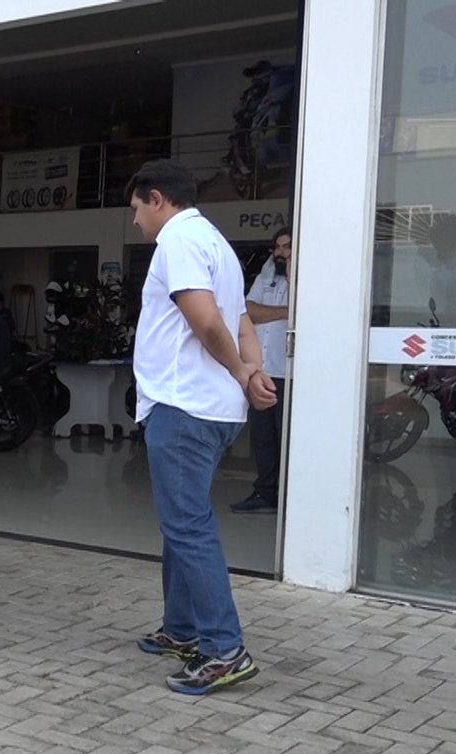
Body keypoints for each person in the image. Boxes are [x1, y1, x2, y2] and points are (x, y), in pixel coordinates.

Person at [125, 159, 277, 695]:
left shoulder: (179, 241)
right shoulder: (218, 244)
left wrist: (240, 372)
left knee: (187, 526)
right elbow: (242, 322)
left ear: (158, 198)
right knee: (181, 521)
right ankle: (182, 628)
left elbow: (208, 322)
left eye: (137, 207)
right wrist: (251, 372)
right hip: (211, 410)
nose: (135, 220)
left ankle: (223, 651)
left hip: (183, 407)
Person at [232, 227, 292, 515]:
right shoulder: (265, 277)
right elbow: (248, 311)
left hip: (289, 373)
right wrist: (284, 312)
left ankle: (290, 497)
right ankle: (266, 493)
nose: (280, 253)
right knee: (263, 438)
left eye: (287, 247)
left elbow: (305, 310)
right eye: (277, 247)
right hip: (263, 370)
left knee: (287, 439)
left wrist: (293, 274)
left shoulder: (307, 278)